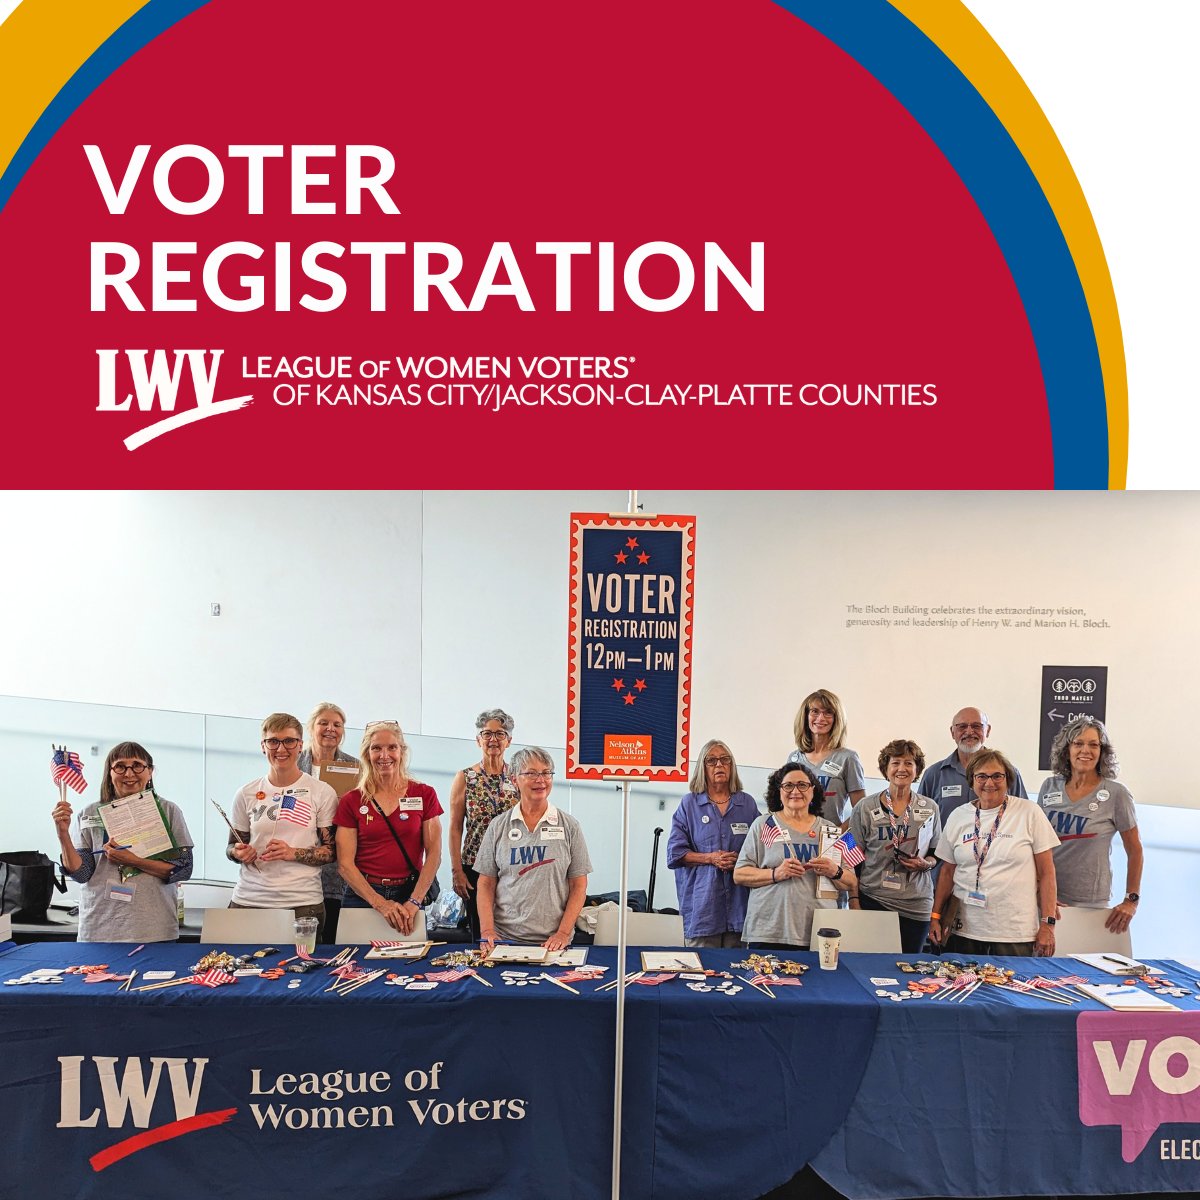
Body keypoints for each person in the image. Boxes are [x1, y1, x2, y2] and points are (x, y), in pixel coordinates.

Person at [51, 741, 193, 943]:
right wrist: (62, 834)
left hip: (154, 929)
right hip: (99, 928)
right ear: (109, 772)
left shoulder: (169, 811)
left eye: (137, 765)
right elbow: (82, 873)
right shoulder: (88, 813)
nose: (129, 773)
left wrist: (134, 861)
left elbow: (184, 869)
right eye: (120, 766)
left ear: (150, 771)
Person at [930, 748, 1059, 957]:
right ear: (972, 781)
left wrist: (1048, 923)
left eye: (997, 776)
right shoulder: (958, 816)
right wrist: (935, 916)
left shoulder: (1029, 813)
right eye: (981, 776)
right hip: (963, 930)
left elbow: (1047, 873)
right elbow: (947, 872)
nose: (989, 783)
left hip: (1014, 933)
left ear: (1008, 779)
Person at [228, 713, 339, 934]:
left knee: (302, 967)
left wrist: (292, 853)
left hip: (302, 903)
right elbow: (231, 846)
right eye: (273, 741)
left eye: (289, 741)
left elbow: (331, 852)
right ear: (263, 746)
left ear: (300, 746)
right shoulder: (246, 793)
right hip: (249, 899)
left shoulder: (322, 792)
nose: (281, 749)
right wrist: (239, 853)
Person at [475, 747, 592, 952]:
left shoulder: (569, 826)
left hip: (553, 943)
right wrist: (487, 932)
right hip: (504, 940)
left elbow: (579, 886)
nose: (541, 780)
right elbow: (486, 884)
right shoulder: (498, 826)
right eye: (531, 773)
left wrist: (563, 934)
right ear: (514, 780)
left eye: (546, 773)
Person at [734, 762, 859, 950]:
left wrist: (835, 871)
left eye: (802, 785)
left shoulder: (832, 829)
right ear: (779, 791)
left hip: (820, 932)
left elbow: (852, 881)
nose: (795, 791)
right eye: (788, 785)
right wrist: (776, 873)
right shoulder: (762, 824)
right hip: (770, 931)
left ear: (813, 791)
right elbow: (739, 874)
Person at [1037, 716, 1142, 935]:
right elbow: (1036, 846)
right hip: (1047, 899)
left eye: (1094, 744)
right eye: (1078, 743)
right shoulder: (1049, 786)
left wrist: (1131, 900)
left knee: (1082, 966)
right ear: (1067, 749)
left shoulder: (1116, 794)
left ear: (1102, 752)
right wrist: (1040, 892)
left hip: (1090, 903)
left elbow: (1135, 850)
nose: (1086, 750)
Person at [335, 721, 442, 935]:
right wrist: (380, 903)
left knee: (409, 964)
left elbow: (434, 855)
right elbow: (345, 864)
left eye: (392, 747)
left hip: (409, 894)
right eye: (376, 748)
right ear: (367, 754)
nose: (384, 755)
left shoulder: (424, 794)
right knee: (354, 962)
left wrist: (414, 901)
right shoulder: (352, 800)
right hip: (363, 895)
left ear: (402, 751)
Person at [849, 739, 942, 953]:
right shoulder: (865, 807)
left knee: (907, 968)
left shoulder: (930, 808)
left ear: (916, 769)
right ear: (886, 769)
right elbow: (852, 859)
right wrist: (853, 900)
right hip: (874, 899)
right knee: (871, 966)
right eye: (895, 763)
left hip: (915, 903)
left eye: (909, 763)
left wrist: (925, 864)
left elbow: (936, 854)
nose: (902, 769)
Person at [667, 738, 759, 947]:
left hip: (739, 907)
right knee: (700, 974)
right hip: (703, 909)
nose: (719, 765)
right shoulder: (689, 804)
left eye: (725, 760)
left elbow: (762, 849)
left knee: (736, 971)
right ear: (702, 767)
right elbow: (675, 853)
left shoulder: (747, 804)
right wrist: (711, 858)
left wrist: (742, 861)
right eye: (712, 761)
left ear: (732, 766)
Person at [448, 708, 519, 940]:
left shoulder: (519, 777)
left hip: (512, 866)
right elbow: (455, 827)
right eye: (487, 733)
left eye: (500, 734)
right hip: (474, 867)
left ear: (509, 741)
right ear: (478, 739)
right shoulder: (465, 777)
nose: (493, 740)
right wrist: (457, 870)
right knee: (481, 931)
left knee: (512, 928)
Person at [297, 702, 359, 942]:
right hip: (296, 867)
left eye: (337, 724)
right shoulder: (291, 762)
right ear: (311, 727)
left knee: (331, 939)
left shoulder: (356, 768)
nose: (330, 729)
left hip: (335, 868)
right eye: (324, 723)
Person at [920, 707, 1028, 827]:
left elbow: (1024, 816)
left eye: (977, 726)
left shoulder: (1008, 773)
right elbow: (921, 821)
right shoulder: (933, 774)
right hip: (948, 845)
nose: (970, 732)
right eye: (962, 726)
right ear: (952, 732)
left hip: (999, 845)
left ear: (987, 730)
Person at [787, 689, 865, 825]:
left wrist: (839, 834)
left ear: (837, 718)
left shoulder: (848, 758)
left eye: (828, 712)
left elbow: (861, 809)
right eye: (815, 711)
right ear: (806, 716)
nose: (821, 718)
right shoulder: (794, 758)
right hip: (797, 837)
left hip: (830, 839)